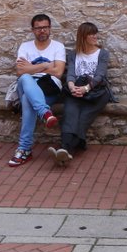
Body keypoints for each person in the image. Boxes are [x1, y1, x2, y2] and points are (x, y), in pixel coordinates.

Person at [50, 22, 114, 167]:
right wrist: (72, 87)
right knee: (69, 114)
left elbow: (100, 76)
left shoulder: (102, 53)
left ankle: (65, 149)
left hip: (96, 93)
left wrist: (86, 88)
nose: (95, 36)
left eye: (95, 33)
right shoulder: (73, 54)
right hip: (75, 91)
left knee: (82, 119)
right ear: (83, 36)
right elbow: (71, 73)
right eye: (91, 34)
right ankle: (67, 149)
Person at [9, 14, 66, 167]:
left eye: (45, 27)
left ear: (50, 28)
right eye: (38, 28)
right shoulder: (25, 46)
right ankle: (45, 113)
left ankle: (24, 149)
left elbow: (59, 73)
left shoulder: (58, 46)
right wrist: (46, 66)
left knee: (28, 100)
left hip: (49, 89)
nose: (42, 31)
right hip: (27, 84)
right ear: (33, 30)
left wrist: (31, 67)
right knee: (26, 79)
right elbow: (20, 72)